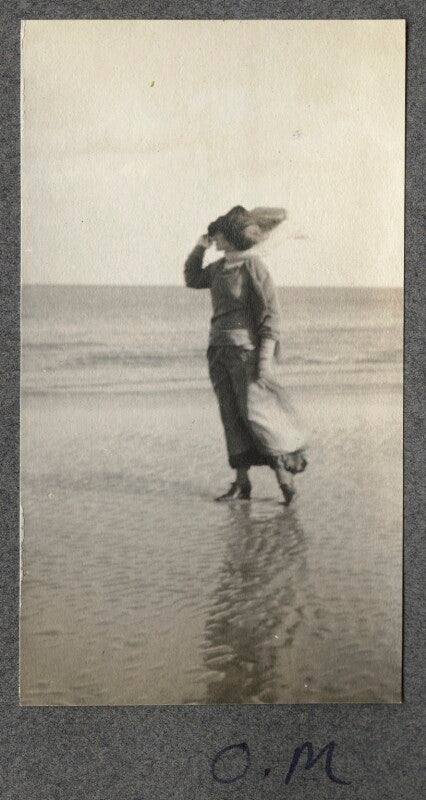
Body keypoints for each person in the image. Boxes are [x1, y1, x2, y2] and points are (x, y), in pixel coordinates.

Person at [184, 205, 307, 504]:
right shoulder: (218, 268)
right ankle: (242, 484)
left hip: (246, 354)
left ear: (232, 237)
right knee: (231, 417)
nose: (215, 239)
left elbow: (270, 314)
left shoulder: (253, 266)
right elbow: (192, 278)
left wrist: (265, 358)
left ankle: (285, 480)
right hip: (218, 351)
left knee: (258, 417)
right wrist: (200, 246)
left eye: (218, 235)